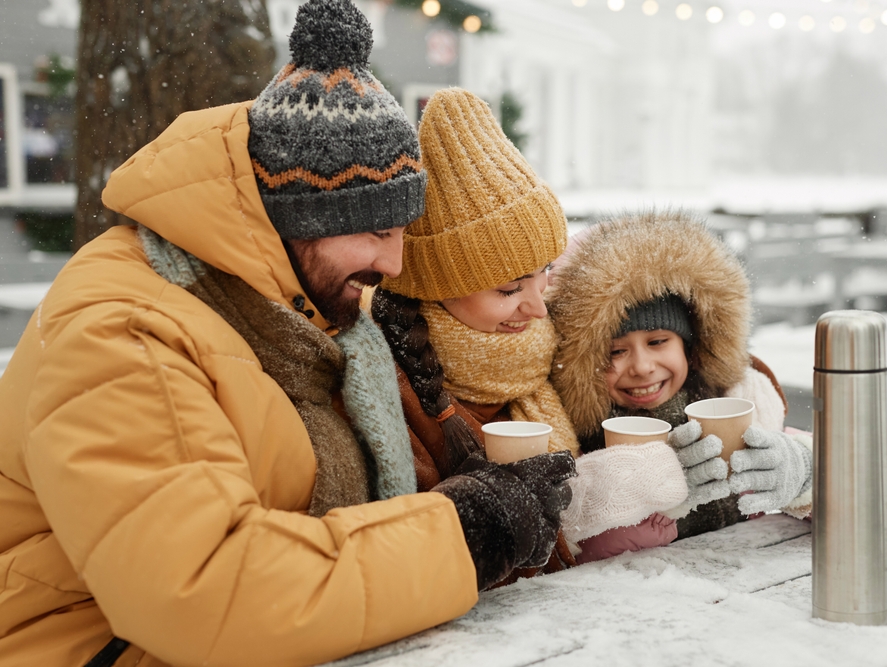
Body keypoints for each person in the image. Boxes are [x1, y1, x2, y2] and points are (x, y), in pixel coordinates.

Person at [0, 2, 574, 665]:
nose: (392, 264)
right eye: (374, 231)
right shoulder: (121, 336)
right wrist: (461, 535)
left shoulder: (290, 311)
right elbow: (206, 593)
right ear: (294, 219)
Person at [371, 88, 586, 579]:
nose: (536, 307)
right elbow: (404, 556)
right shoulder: (389, 387)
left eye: (545, 271)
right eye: (510, 289)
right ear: (434, 286)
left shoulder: (562, 341)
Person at [548, 211, 813, 563]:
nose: (642, 367)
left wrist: (803, 473)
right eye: (616, 352)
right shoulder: (576, 438)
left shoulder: (735, 403)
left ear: (690, 345)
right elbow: (560, 546)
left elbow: (865, 471)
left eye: (658, 341)